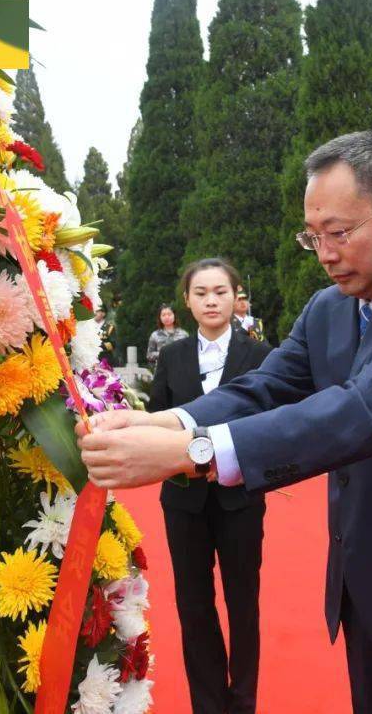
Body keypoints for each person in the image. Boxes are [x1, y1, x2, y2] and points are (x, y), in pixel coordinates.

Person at [76, 131, 372, 712]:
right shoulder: (329, 310)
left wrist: (191, 454)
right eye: (312, 237)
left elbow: (366, 408)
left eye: (339, 233)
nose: (324, 254)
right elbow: (264, 388)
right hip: (367, 600)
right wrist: (163, 422)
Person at [147, 259, 273, 713]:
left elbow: (270, 421)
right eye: (201, 293)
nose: (211, 300)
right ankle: (208, 704)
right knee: (193, 605)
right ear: (187, 301)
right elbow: (157, 415)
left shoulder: (260, 355)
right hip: (183, 500)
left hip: (240, 499)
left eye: (220, 291)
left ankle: (243, 702)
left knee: (244, 603)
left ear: (236, 296)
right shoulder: (173, 355)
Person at [146, 303, 189, 368]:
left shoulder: (183, 334)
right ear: (160, 317)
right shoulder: (155, 335)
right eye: (163, 315)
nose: (167, 317)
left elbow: (189, 354)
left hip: (180, 370)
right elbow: (149, 355)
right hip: (162, 371)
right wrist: (163, 353)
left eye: (169, 314)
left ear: (174, 315)